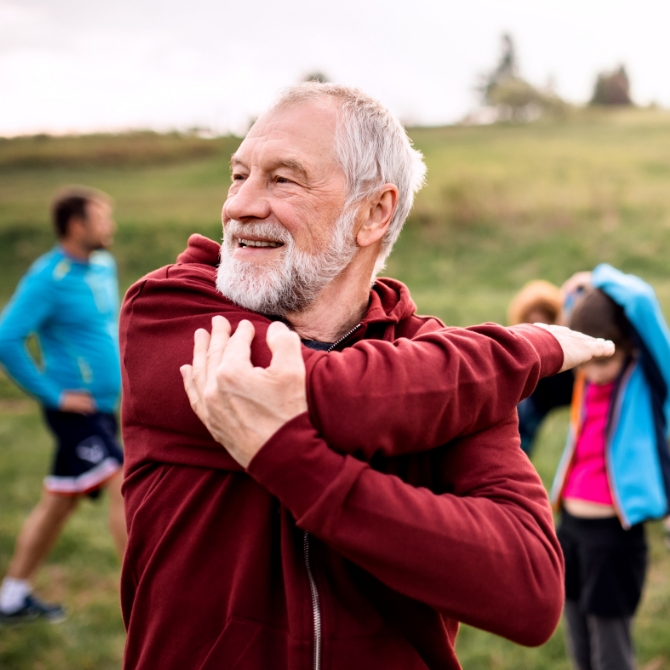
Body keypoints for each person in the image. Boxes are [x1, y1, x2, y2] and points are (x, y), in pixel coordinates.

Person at [119, 82, 613, 669]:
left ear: (374, 213)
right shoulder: (168, 309)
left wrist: (292, 460)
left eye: (282, 179)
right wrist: (530, 348)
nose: (239, 205)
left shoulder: (446, 366)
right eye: (238, 175)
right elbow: (332, 396)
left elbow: (529, 591)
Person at [0, 187, 126, 623]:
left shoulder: (103, 266)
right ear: (77, 225)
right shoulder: (46, 279)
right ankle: (147, 598)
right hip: (76, 411)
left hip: (105, 407)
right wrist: (53, 395)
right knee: (123, 481)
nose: (109, 226)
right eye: (101, 218)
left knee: (59, 502)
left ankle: (11, 597)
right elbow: (7, 337)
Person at [550, 265, 670, 670]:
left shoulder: (649, 379)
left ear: (630, 346)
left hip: (614, 535)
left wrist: (594, 277)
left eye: (605, 360)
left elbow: (638, 301)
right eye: (588, 361)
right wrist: (575, 300)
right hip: (570, 526)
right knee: (579, 642)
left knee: (611, 649)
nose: (592, 371)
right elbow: (578, 321)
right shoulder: (587, 376)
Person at [509, 280, 574, 454]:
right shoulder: (525, 356)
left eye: (545, 325)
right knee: (520, 429)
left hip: (572, 384)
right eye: (532, 326)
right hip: (542, 392)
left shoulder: (573, 344)